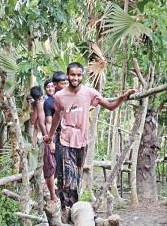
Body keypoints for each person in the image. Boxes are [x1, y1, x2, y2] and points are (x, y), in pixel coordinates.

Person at [45, 62, 136, 210]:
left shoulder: (90, 93)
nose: (75, 78)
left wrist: (123, 97)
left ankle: (70, 207)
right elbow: (57, 116)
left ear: (82, 76)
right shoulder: (59, 96)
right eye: (72, 74)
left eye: (78, 75)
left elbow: (110, 106)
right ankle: (69, 209)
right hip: (66, 139)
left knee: (77, 176)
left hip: (82, 140)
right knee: (69, 176)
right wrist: (50, 136)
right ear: (68, 75)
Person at [41, 72, 67, 201]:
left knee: (63, 166)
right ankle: (52, 194)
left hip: (66, 136)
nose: (51, 88)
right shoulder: (48, 103)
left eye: (52, 86)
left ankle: (64, 194)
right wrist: (50, 141)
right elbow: (47, 122)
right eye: (48, 87)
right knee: (50, 166)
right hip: (54, 136)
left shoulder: (66, 98)